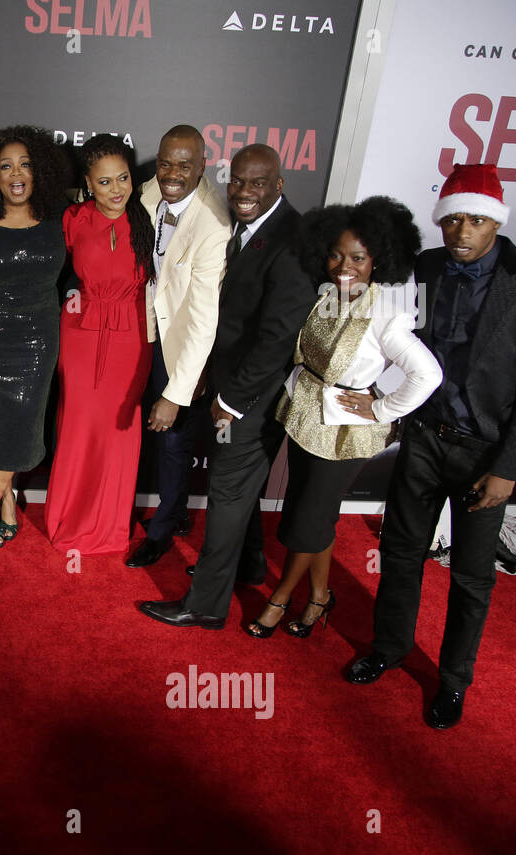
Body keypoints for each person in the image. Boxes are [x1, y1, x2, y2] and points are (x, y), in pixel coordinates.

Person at [347, 163, 516, 729]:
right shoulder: (423, 268)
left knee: (472, 577)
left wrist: (510, 469)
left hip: (487, 455)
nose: (462, 232)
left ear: (495, 220)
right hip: (424, 440)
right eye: (452, 220)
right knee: (401, 555)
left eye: (475, 220)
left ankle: (453, 683)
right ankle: (389, 649)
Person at [245, 197, 441, 638]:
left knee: (305, 523)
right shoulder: (324, 295)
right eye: (336, 254)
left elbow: (427, 374)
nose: (343, 266)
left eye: (357, 257)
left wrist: (381, 408)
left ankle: (280, 598)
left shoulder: (386, 316)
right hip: (304, 418)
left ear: (379, 259)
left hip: (345, 436)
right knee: (313, 516)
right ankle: (319, 597)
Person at [139, 144, 315, 629]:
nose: (244, 192)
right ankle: (250, 564)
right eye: (237, 181)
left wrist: (230, 401)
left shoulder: (292, 242)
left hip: (249, 399)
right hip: (227, 383)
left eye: (257, 183)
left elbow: (278, 338)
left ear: (279, 185)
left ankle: (205, 604)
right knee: (241, 491)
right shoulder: (242, 223)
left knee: (227, 493)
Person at [0, 125, 68, 548]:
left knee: (23, 423)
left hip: (38, 340)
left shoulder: (58, 219)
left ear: (38, 172)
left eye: (24, 164)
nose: (16, 173)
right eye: (6, 166)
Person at [126, 125, 231, 568]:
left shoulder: (214, 225)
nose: (171, 174)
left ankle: (164, 529)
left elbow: (205, 319)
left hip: (182, 347)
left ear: (203, 166)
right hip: (139, 335)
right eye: (165, 162)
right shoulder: (149, 190)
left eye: (184, 166)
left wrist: (176, 391)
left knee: (171, 444)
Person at [44, 134, 154, 555]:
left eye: (122, 178)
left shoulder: (148, 217)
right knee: (78, 428)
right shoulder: (73, 219)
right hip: (81, 333)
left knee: (118, 433)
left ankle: (109, 527)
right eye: (104, 182)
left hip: (131, 337)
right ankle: (70, 521)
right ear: (88, 183)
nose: (116, 190)